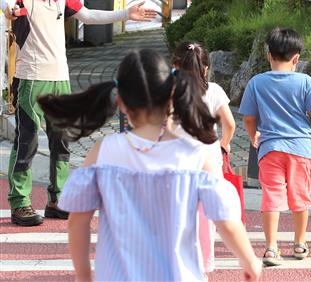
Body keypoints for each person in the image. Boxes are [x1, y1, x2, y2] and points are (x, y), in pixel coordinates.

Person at [38, 49, 262, 281]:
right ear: (170, 95)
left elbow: (78, 222)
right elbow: (227, 222)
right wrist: (249, 261)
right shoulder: (195, 154)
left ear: (121, 102)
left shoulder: (103, 152)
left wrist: (83, 276)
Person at [2, 0, 156, 226]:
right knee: (27, 141)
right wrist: (9, 8)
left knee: (61, 141)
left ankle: (58, 199)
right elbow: (7, 1)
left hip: (60, 76)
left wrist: (126, 13)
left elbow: (86, 15)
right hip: (31, 77)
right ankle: (20, 202)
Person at [239, 27, 311, 266]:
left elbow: (248, 117)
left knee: (272, 196)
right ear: (296, 58)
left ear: (269, 55)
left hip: (270, 149)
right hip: (300, 148)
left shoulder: (257, 82)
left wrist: (252, 135)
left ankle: (270, 248)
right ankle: (299, 243)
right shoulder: (305, 81)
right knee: (300, 194)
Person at [172, 41, 237, 274]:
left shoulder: (169, 91)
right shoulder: (215, 91)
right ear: (206, 68)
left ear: (175, 65)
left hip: (177, 162)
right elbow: (229, 124)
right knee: (205, 217)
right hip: (209, 160)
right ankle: (202, 266)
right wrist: (224, 145)